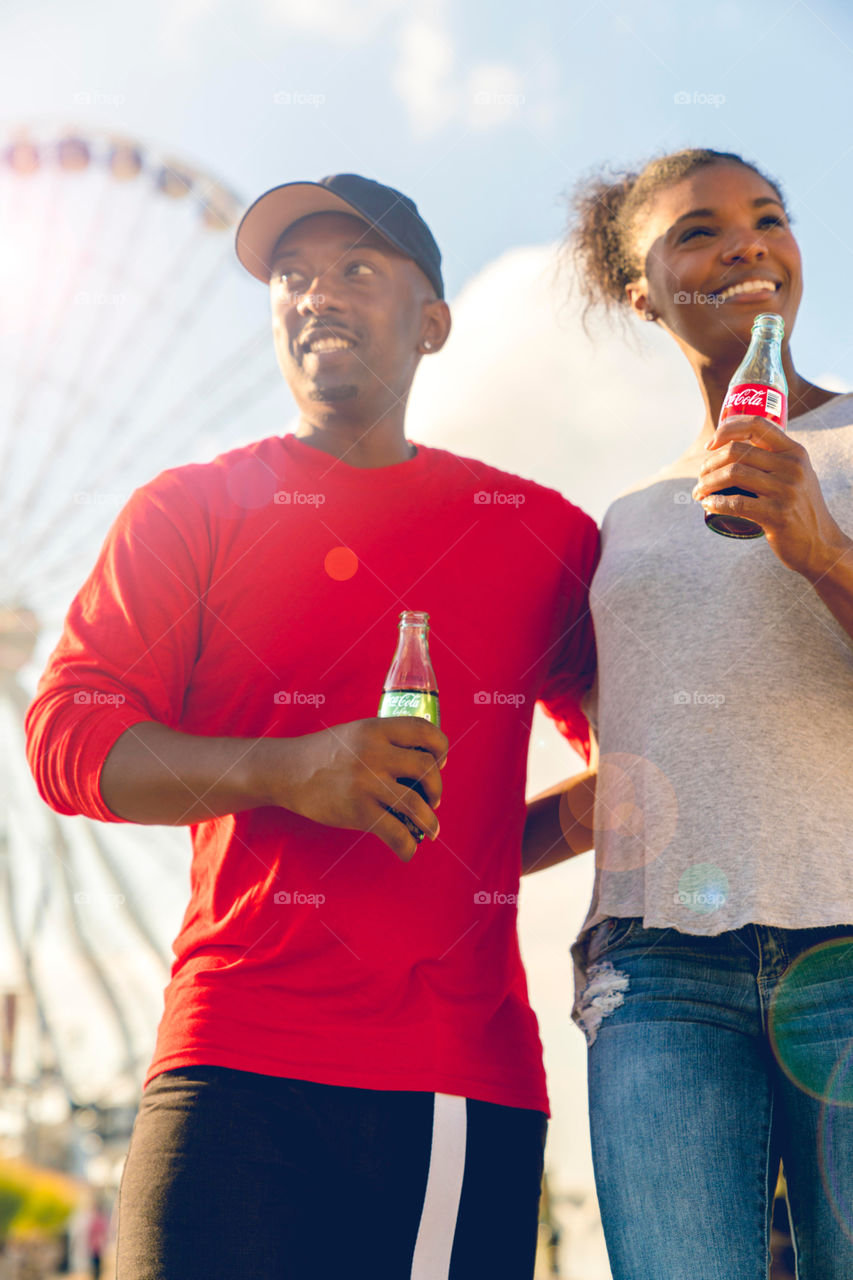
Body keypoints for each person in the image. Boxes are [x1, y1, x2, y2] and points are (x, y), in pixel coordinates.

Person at [25, 173, 599, 1280]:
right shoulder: (185, 512)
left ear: (433, 322)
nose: (314, 293)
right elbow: (68, 738)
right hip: (228, 1047)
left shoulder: (540, 535)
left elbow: (632, 777)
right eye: (290, 274)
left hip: (449, 1079)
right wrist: (291, 769)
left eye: (356, 269)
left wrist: (479, 845)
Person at [525, 147, 853, 1279]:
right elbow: (636, 769)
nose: (745, 244)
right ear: (639, 288)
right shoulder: (623, 522)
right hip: (656, 972)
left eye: (768, 216)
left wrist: (823, 554)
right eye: (698, 231)